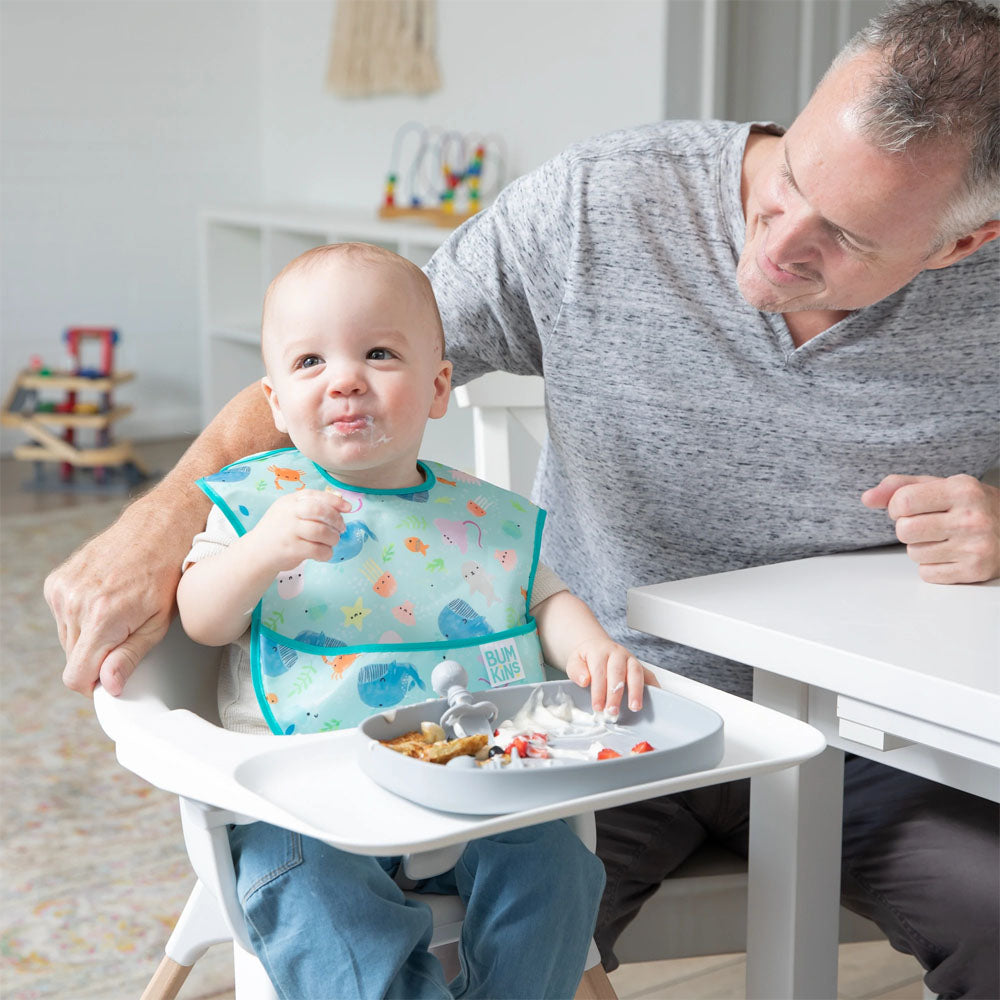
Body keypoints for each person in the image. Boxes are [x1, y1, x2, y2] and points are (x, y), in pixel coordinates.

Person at [45, 0, 999, 996]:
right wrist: (163, 521)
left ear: (960, 247)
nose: (778, 242)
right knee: (451, 915)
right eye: (788, 179)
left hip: (860, 736)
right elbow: (350, 356)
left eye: (841, 235)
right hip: (583, 716)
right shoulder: (598, 202)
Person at [174, 240, 654, 998]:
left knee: (560, 870)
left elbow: (540, 596)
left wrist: (589, 643)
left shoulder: (480, 517)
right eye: (309, 364)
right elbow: (200, 619)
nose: (344, 381)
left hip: (471, 780)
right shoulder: (256, 508)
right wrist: (260, 554)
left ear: (437, 388)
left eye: (377, 353)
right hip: (301, 803)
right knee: (318, 908)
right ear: (273, 403)